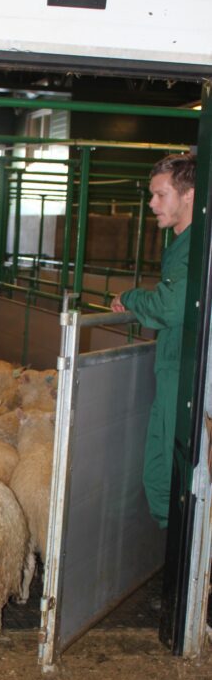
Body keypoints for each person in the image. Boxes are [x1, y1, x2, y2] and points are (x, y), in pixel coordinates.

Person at [110, 153, 196, 529]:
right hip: (176, 373)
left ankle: (186, 575)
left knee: (173, 477)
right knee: (162, 474)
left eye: (161, 195)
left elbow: (171, 306)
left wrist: (130, 298)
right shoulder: (180, 244)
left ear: (189, 195)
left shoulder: (195, 246)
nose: (151, 204)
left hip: (187, 379)